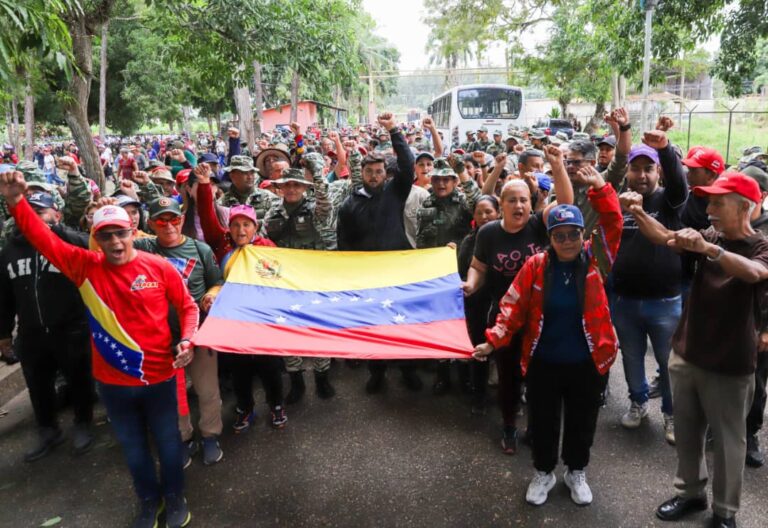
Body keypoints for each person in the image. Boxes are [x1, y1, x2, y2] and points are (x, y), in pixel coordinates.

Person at [0, 171, 199, 528]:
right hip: (113, 384)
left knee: (169, 444)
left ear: (133, 231)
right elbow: (41, 237)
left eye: (120, 233)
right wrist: (15, 201)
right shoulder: (83, 266)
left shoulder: (158, 266)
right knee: (134, 450)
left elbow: (188, 307)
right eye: (105, 235)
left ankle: (174, 497)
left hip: (160, 378)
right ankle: (148, 501)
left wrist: (187, 340)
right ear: (96, 239)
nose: (115, 242)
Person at [623, 173, 768, 528]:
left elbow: (753, 273)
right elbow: (663, 237)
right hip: (687, 353)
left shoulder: (759, 246)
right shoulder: (710, 235)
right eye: (709, 202)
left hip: (730, 363)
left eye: (718, 202)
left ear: (745, 207)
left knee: (729, 442)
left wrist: (710, 250)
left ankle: (725, 512)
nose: (709, 209)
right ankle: (690, 493)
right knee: (687, 433)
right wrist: (638, 212)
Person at [474, 167, 621, 507]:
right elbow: (511, 306)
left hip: (588, 362)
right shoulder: (536, 265)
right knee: (542, 421)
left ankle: (576, 471)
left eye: (573, 234)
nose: (567, 241)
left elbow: (613, 223)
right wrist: (494, 339)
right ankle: (543, 472)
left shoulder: (596, 260)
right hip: (543, 361)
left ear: (583, 234)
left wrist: (601, 188)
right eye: (559, 235)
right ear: (550, 238)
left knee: (583, 420)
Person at [462, 145, 574, 454]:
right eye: (512, 200)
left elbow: (566, 204)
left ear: (531, 202)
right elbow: (478, 267)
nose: (519, 205)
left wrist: (557, 166)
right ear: (501, 205)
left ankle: (534, 427)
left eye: (524, 199)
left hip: (541, 317)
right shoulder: (488, 233)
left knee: (538, 376)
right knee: (509, 377)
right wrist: (471, 284)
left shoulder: (539, 225)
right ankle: (509, 425)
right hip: (503, 318)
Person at [0, 192, 95, 462]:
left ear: (57, 214)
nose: (33, 218)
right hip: (31, 333)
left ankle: (83, 423)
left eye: (40, 212)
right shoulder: (9, 251)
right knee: (38, 384)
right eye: (28, 212)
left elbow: (96, 259)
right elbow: (4, 297)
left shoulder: (71, 241)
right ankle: (47, 430)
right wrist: (4, 334)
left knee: (79, 378)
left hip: (71, 328)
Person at [195, 165, 288, 431]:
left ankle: (276, 404)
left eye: (246, 224)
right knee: (240, 369)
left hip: (261, 318)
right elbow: (207, 216)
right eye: (235, 225)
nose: (240, 230)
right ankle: (245, 407)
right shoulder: (223, 244)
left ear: (255, 227)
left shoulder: (266, 247)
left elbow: (279, 278)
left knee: (269, 366)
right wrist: (204, 185)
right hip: (233, 319)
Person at [133, 197, 224, 467]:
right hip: (159, 337)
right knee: (172, 395)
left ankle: (210, 435)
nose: (169, 225)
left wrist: (211, 294)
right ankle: (182, 438)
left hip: (198, 334)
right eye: (161, 221)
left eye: (173, 219)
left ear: (181, 220)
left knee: (207, 390)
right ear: (151, 224)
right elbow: (106, 245)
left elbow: (217, 281)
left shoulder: (200, 249)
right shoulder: (143, 248)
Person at [611, 131, 688, 444]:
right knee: (631, 357)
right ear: (628, 172)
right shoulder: (620, 201)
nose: (641, 175)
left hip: (664, 301)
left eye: (648, 169)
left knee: (669, 363)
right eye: (636, 169)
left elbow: (679, 181)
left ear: (658, 172)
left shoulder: (670, 200)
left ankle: (672, 414)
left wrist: (665, 148)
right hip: (625, 300)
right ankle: (638, 402)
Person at [337, 112, 423, 393]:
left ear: (386, 174)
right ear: (361, 173)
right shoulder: (349, 205)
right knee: (374, 324)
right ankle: (377, 372)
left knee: (403, 322)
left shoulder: (395, 192)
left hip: (399, 272)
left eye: (378, 171)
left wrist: (394, 131)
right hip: (368, 278)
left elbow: (408, 164)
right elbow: (344, 244)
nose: (374, 176)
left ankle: (408, 370)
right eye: (369, 172)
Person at [263, 156, 336, 402]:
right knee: (288, 331)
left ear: (304, 187)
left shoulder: (316, 209)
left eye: (297, 185)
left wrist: (317, 172)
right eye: (287, 185)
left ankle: (322, 377)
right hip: (285, 283)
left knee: (318, 329)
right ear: (280, 187)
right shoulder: (272, 213)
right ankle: (296, 380)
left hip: (314, 281)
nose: (292, 189)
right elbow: (262, 243)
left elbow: (325, 203)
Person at [416, 156, 480, 394]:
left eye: (446, 180)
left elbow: (479, 202)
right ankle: (442, 373)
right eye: (437, 179)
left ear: (454, 182)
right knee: (438, 323)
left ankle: (464, 375)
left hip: (460, 273)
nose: (441, 184)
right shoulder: (425, 200)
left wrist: (463, 171)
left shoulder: (463, 201)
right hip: (434, 274)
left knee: (462, 324)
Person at [457, 195, 500, 414]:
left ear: (498, 212)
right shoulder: (468, 241)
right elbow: (463, 272)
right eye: (479, 212)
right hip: (477, 306)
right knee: (479, 351)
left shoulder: (508, 237)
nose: (484, 216)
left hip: (503, 306)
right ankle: (479, 396)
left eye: (489, 212)